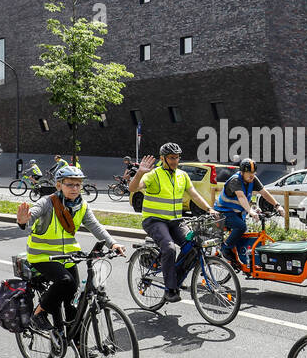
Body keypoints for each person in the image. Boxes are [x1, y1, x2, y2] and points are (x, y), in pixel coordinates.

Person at [16, 165, 125, 334]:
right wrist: (23, 220)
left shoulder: (82, 205)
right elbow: (31, 215)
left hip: (68, 257)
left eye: (78, 185)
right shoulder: (47, 202)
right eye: (70, 185)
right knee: (66, 282)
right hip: (43, 257)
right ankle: (38, 314)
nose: (75, 188)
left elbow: (95, 226)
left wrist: (113, 243)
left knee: (74, 301)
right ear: (59, 185)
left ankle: (78, 344)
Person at [128, 142, 214, 302]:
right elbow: (133, 188)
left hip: (175, 221)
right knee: (168, 248)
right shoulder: (153, 174)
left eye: (177, 157)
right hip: (154, 221)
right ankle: (170, 289)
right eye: (171, 158)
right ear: (163, 158)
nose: (175, 161)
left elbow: (194, 195)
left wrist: (210, 209)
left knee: (193, 247)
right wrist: (139, 173)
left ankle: (174, 279)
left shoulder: (182, 175)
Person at [213, 158, 282, 270]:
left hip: (237, 212)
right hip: (223, 211)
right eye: (249, 173)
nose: (252, 175)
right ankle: (225, 248)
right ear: (242, 172)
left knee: (244, 235)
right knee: (241, 227)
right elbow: (241, 196)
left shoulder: (253, 180)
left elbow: (264, 193)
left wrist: (277, 205)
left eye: (254, 173)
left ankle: (243, 262)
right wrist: (250, 211)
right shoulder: (235, 180)